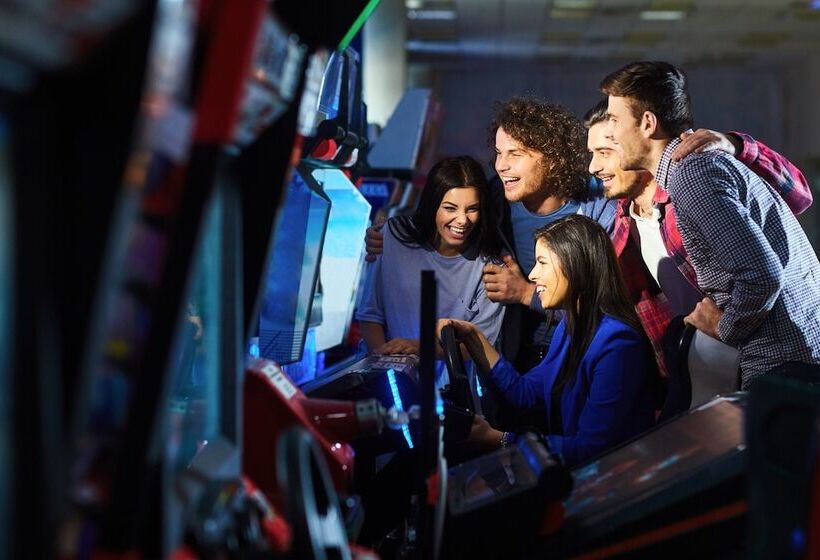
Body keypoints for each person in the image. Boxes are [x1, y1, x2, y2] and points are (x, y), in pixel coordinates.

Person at [601, 61, 820, 388]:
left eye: (615, 120)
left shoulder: (691, 176)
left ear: (647, 123)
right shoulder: (693, 170)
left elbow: (762, 278)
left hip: (785, 364)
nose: (611, 133)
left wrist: (724, 328)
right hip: (790, 360)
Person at [438, 215, 658, 467]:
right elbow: (524, 392)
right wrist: (473, 336)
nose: (532, 275)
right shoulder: (570, 326)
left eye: (542, 263)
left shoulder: (617, 343)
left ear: (575, 266)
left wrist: (501, 440)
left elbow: (593, 448)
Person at [355, 155, 505, 360]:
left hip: (448, 380)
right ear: (432, 205)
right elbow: (370, 314)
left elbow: (481, 346)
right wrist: (385, 363)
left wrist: (418, 348)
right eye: (450, 208)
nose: (462, 220)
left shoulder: (491, 268)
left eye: (472, 209)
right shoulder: (392, 235)